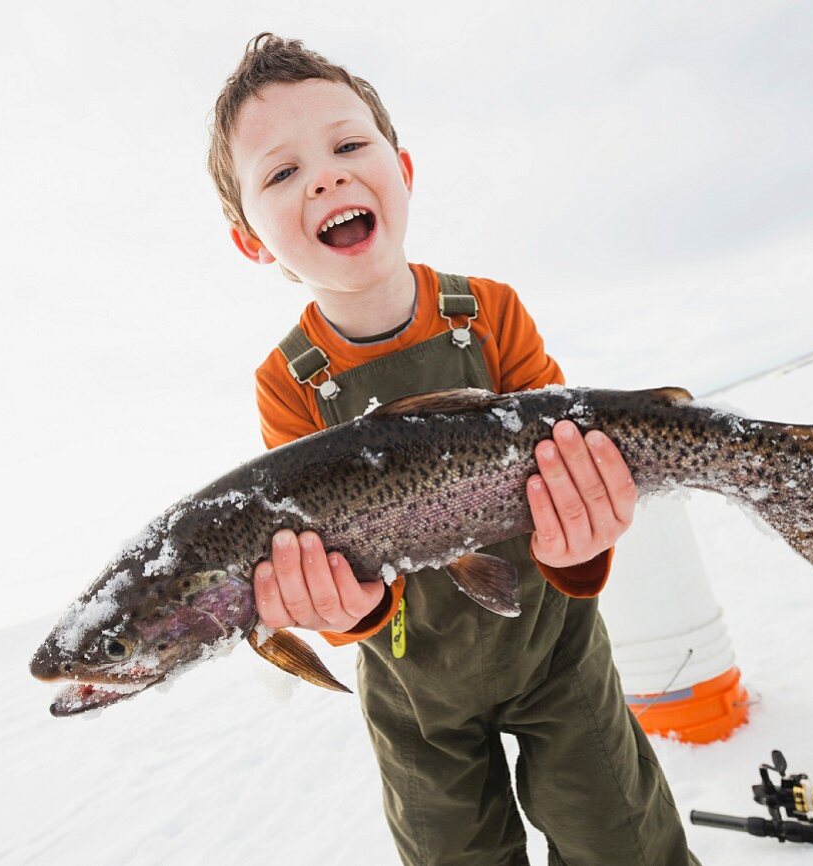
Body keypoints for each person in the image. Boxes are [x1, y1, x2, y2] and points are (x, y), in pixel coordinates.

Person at [207, 32, 698, 866]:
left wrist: (582, 549)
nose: (325, 174)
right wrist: (343, 607)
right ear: (251, 239)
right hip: (413, 693)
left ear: (403, 168)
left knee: (624, 842)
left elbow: (573, 485)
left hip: (557, 654)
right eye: (282, 172)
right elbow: (328, 574)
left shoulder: (491, 311)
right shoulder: (289, 384)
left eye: (347, 144)